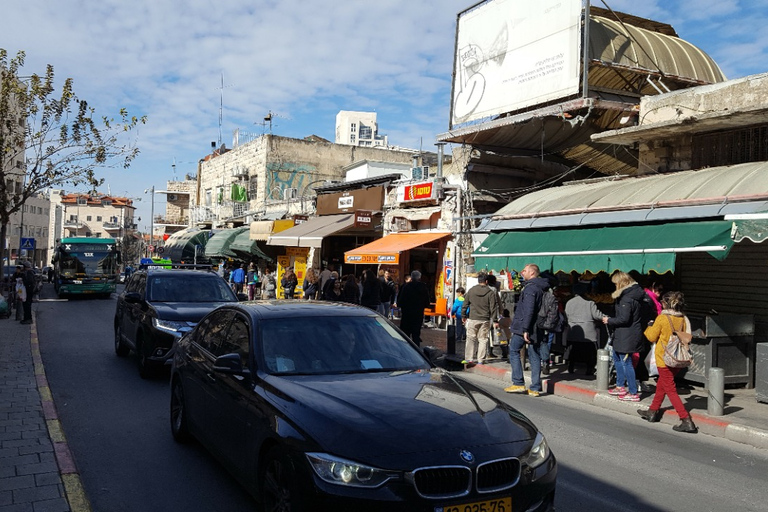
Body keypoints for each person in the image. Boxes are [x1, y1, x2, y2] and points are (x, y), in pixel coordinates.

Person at [639, 291, 698, 434]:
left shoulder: (662, 318)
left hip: (664, 358)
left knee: (670, 390)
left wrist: (649, 326)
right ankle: (652, 411)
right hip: (677, 358)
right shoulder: (682, 318)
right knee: (662, 385)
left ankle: (686, 420)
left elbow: (651, 337)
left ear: (666, 303)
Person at [504, 264, 549, 397]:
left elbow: (529, 310)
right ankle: (535, 387)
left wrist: (525, 329)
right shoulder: (541, 287)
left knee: (514, 350)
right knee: (534, 355)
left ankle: (518, 382)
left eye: (525, 270)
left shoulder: (530, 288)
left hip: (524, 327)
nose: (522, 272)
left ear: (532, 273)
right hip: (536, 326)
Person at [602, 271, 646, 402]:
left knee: (626, 362)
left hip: (627, 335)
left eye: (615, 283)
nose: (614, 286)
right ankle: (620, 385)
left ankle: (633, 392)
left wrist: (609, 320)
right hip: (623, 334)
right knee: (617, 358)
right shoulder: (632, 295)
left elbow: (624, 319)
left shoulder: (627, 299)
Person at [564, 282, 604, 374]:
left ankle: (571, 367)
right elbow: (596, 315)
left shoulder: (569, 302)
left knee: (573, 351)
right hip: (588, 332)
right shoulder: (590, 302)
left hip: (573, 331)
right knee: (589, 352)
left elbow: (566, 316)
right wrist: (606, 318)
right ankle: (589, 369)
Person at [461, 273, 499, 365]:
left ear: (478, 281)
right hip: (485, 319)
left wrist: (463, 316)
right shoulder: (490, 293)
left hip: (473, 318)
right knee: (483, 339)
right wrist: (495, 320)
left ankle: (469, 358)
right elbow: (493, 308)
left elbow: (465, 304)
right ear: (486, 281)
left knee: (470, 338)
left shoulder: (471, 291)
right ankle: (480, 360)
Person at [396, 270, 430, 345]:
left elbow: (400, 300)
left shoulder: (405, 286)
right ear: (419, 278)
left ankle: (405, 348)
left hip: (406, 313)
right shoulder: (423, 287)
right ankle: (416, 349)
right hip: (418, 313)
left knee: (405, 334)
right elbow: (427, 302)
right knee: (416, 334)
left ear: (411, 277)